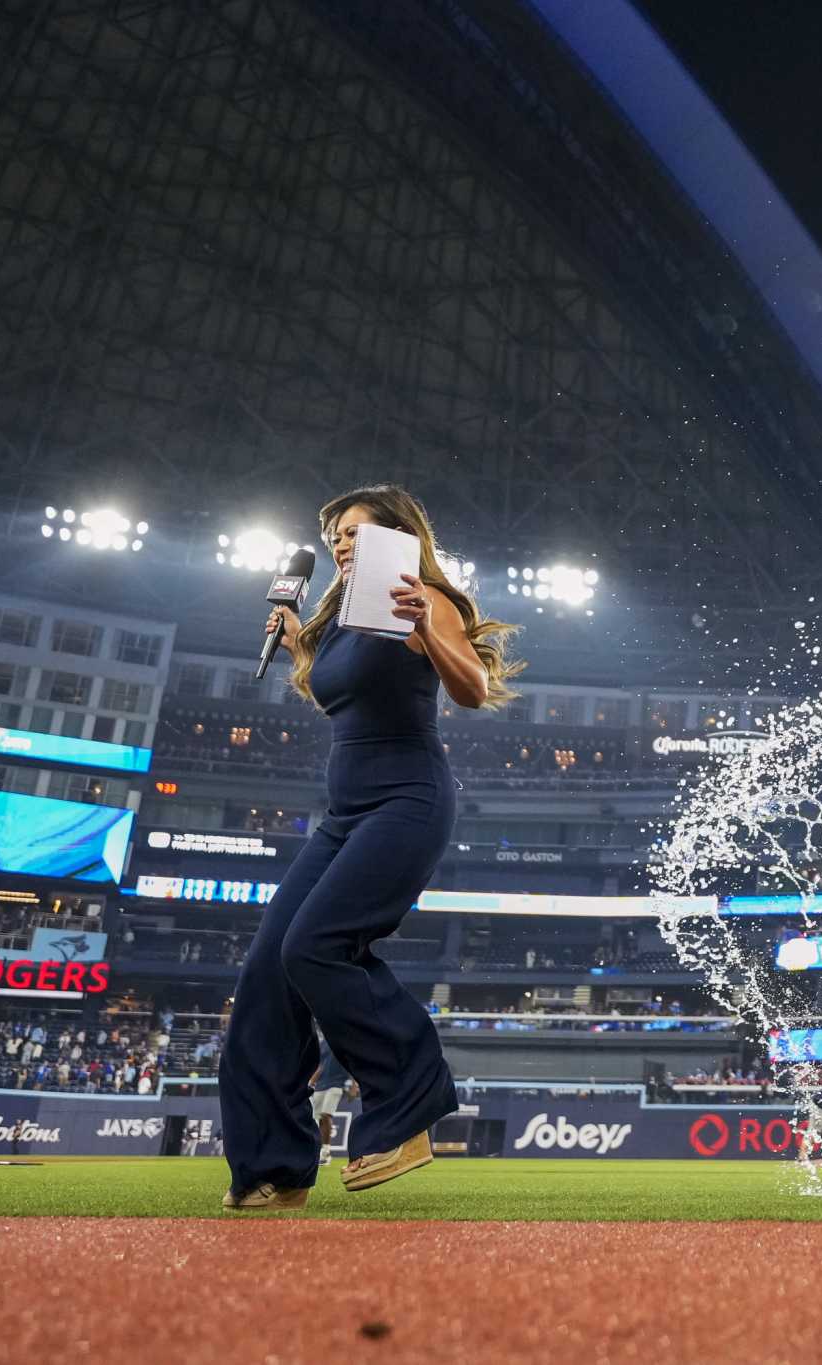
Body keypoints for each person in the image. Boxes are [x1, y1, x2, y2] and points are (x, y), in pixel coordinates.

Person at [218, 485, 522, 1210]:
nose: (341, 546)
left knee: (315, 945)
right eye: (333, 540)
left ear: (397, 534)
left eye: (354, 532)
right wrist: (301, 646)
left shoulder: (422, 597)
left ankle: (407, 1101)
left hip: (407, 801)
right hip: (344, 813)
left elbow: (473, 689)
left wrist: (428, 632)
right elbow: (346, 697)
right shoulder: (347, 618)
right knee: (268, 970)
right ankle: (274, 1166)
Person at [309, 1032, 349, 1165]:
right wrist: (311, 1081)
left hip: (336, 1084)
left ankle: (326, 1151)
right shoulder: (323, 1043)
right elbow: (320, 1065)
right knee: (317, 1119)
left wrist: (354, 1082)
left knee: (326, 1115)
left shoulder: (343, 1040)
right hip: (320, 1085)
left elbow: (351, 1061)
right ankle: (319, 1151)